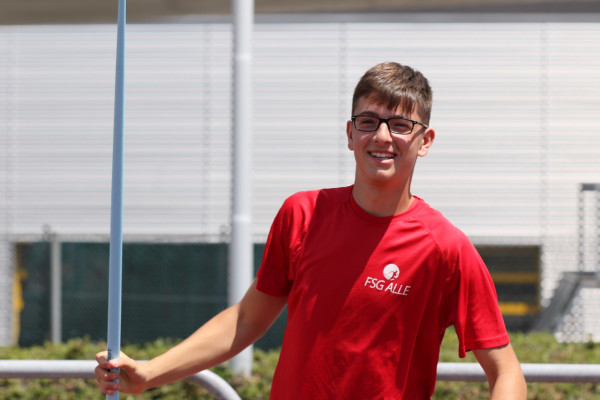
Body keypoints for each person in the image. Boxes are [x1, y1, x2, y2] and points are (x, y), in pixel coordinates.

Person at [95, 61, 527, 399]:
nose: (382, 136)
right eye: (368, 121)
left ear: (425, 140)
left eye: (400, 125)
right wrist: (149, 373)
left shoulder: (446, 248)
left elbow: (506, 371)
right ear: (350, 133)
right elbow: (246, 320)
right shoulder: (302, 213)